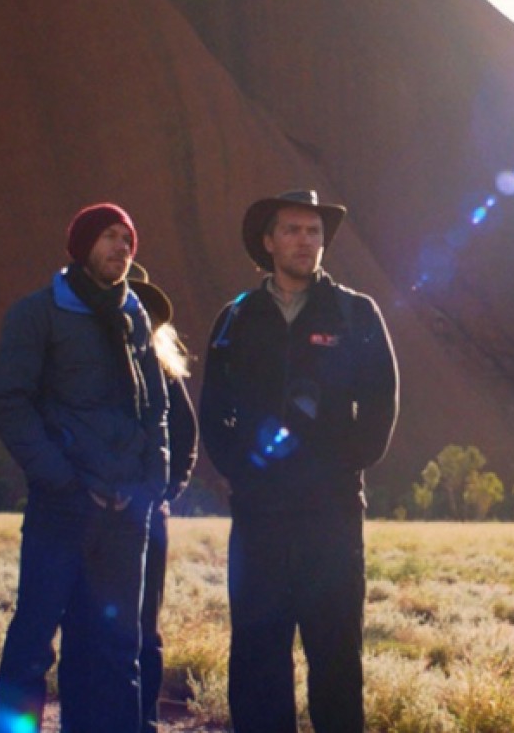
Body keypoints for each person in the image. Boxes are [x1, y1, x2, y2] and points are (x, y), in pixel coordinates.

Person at [199, 190, 398, 733]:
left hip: (331, 516)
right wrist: (240, 470)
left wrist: (344, 466)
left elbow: (382, 400)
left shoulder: (355, 312)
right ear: (268, 241)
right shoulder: (237, 317)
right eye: (292, 230)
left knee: (336, 653)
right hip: (260, 516)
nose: (305, 240)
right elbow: (213, 408)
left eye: (314, 231)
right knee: (258, 653)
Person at [0, 203, 167, 733]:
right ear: (82, 245)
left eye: (127, 240)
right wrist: (60, 479)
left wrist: (149, 480)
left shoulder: (133, 315)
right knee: (33, 644)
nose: (121, 248)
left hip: (124, 511)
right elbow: (10, 402)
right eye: (109, 237)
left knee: (116, 648)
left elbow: (156, 406)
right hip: (63, 506)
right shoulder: (38, 313)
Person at [55, 266, 198, 731]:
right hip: (82, 513)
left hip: (143, 518)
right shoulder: (77, 364)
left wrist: (159, 494)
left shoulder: (160, 370)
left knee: (141, 630)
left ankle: (142, 723)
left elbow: (185, 436)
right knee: (79, 623)